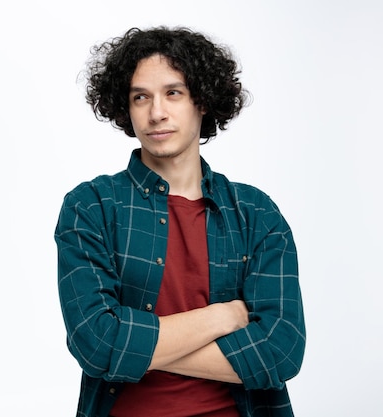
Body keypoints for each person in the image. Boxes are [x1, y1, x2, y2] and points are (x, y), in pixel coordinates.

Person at [54, 26, 306, 417]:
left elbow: (280, 352)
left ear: (201, 102)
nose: (157, 112)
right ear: (126, 108)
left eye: (173, 93)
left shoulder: (256, 214)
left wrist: (133, 346)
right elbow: (95, 344)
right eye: (141, 97)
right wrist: (219, 318)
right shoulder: (92, 206)